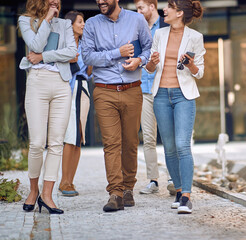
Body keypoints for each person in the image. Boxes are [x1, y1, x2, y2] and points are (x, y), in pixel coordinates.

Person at [81, 0, 152, 212]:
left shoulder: (137, 20)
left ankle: (128, 188)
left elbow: (148, 48)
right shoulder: (92, 24)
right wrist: (117, 52)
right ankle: (115, 193)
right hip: (104, 91)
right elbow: (87, 56)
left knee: (130, 142)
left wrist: (139, 60)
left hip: (132, 90)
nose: (101, 1)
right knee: (111, 144)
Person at [145, 0, 205, 214]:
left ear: (179, 13)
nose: (165, 9)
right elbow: (151, 69)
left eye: (169, 6)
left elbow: (200, 72)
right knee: (169, 147)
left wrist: (190, 64)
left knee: (182, 145)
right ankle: (179, 191)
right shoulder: (159, 34)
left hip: (183, 96)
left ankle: (187, 197)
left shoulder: (195, 38)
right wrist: (151, 62)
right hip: (161, 95)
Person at [19, 0, 77, 214]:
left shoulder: (65, 24)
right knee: (36, 143)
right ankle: (33, 190)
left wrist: (44, 56)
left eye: (58, 1)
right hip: (37, 83)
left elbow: (71, 52)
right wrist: (47, 20)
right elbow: (34, 45)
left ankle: (47, 195)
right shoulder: (26, 21)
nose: (56, 2)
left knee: (56, 144)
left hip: (62, 85)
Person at [134, 0, 176, 196]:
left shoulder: (168, 25)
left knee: (169, 137)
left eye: (141, 7)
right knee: (149, 138)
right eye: (137, 8)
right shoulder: (137, 29)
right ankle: (153, 180)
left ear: (152, 6)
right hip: (143, 89)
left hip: (163, 87)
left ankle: (172, 178)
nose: (138, 11)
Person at [59, 10, 92, 197]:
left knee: (78, 136)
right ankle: (64, 181)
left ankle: (70, 181)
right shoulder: (63, 44)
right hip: (68, 90)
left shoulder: (85, 44)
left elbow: (88, 71)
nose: (83, 24)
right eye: (80, 21)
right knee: (70, 135)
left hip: (83, 88)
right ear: (70, 24)